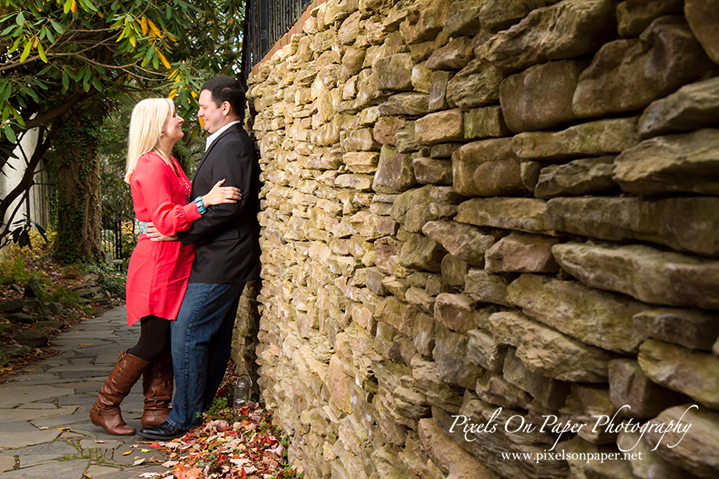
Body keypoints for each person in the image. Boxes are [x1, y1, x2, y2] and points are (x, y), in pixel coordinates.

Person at [90, 98, 242, 435]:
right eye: (173, 114)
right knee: (153, 339)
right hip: (157, 265)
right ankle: (106, 404)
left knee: (164, 337)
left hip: (175, 262)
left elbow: (171, 218)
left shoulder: (169, 161)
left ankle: (156, 409)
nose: (182, 118)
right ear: (158, 126)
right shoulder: (152, 165)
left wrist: (188, 214)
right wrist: (206, 202)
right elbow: (166, 219)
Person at [139, 76, 261, 440]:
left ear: (225, 108)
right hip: (217, 258)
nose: (199, 114)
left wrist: (181, 233)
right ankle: (198, 409)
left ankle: (183, 418)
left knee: (187, 332)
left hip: (223, 260)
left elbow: (229, 206)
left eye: (204, 107)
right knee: (214, 336)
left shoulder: (233, 145)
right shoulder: (224, 142)